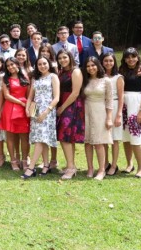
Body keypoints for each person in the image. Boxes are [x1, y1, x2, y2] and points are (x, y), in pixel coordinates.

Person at [22, 57, 60, 179]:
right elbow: (30, 97)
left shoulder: (53, 77)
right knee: (41, 138)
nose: (42, 66)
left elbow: (56, 97)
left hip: (47, 111)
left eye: (44, 63)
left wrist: (46, 111)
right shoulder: (35, 78)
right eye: (39, 64)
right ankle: (46, 165)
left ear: (48, 64)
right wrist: (27, 109)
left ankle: (31, 168)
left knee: (41, 139)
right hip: (36, 110)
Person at [119, 47, 141, 178]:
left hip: (137, 105)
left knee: (136, 138)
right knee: (126, 138)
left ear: (137, 57)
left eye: (133, 56)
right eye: (128, 57)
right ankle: (129, 164)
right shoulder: (122, 71)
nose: (130, 59)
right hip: (124, 106)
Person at [82, 57, 113, 180]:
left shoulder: (106, 81)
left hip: (100, 111)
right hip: (86, 111)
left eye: (93, 65)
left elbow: (109, 100)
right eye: (88, 66)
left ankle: (101, 170)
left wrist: (109, 118)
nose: (91, 68)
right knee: (88, 142)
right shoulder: (85, 80)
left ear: (98, 65)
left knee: (99, 142)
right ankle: (90, 168)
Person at [56, 49, 85, 180]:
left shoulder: (76, 71)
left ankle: (71, 167)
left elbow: (75, 93)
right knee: (66, 137)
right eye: (60, 58)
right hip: (62, 103)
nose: (62, 60)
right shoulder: (62, 72)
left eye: (65, 57)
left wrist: (62, 108)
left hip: (71, 105)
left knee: (64, 136)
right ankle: (70, 165)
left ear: (70, 57)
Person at [0, 57, 30, 171]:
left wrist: (27, 105)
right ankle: (13, 161)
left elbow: (29, 94)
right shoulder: (6, 79)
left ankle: (25, 160)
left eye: (12, 64)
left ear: (17, 64)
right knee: (10, 136)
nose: (10, 67)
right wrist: (20, 102)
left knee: (24, 136)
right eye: (8, 66)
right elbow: (6, 95)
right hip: (10, 107)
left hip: (23, 109)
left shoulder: (25, 78)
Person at [101, 53, 124, 176]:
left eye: (110, 61)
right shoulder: (99, 76)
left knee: (114, 139)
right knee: (103, 138)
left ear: (114, 62)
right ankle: (105, 163)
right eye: (105, 61)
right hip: (101, 108)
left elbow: (121, 98)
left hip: (114, 107)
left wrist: (119, 114)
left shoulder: (118, 77)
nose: (108, 63)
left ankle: (114, 165)